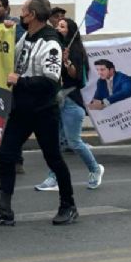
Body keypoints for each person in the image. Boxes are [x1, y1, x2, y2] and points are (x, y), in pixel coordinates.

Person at [0, 0, 78, 226]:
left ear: (32, 15)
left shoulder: (50, 43)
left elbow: (51, 82)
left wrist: (20, 81)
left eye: (23, 10)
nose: (19, 14)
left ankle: (68, 205)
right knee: (6, 154)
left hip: (43, 111)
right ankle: (4, 208)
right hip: (21, 109)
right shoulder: (28, 37)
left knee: (53, 158)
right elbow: (10, 56)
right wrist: (5, 33)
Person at [35, 17, 105, 192]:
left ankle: (95, 169)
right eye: (58, 25)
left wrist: (67, 62)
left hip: (71, 103)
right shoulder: (55, 47)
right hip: (55, 102)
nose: (58, 28)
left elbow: (76, 77)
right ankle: (53, 177)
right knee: (55, 143)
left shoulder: (75, 51)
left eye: (63, 26)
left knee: (73, 142)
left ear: (71, 30)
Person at [0, 0, 25, 173]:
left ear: (6, 9)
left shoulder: (14, 28)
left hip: (9, 83)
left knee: (12, 122)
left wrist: (10, 29)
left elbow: (21, 47)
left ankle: (15, 159)